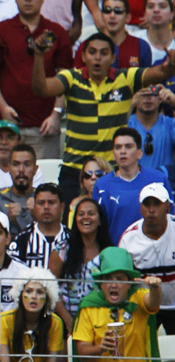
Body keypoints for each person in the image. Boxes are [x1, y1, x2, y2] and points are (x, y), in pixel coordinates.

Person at [32, 31, 175, 204]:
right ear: (84, 56)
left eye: (104, 53)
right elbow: (41, 90)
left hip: (110, 170)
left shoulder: (126, 78)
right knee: (69, 223)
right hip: (75, 170)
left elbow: (160, 73)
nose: (97, 57)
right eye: (92, 52)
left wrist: (171, 65)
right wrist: (39, 56)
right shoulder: (71, 78)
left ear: (113, 57)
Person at [0, 0, 71, 159]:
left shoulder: (57, 32)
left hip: (44, 126)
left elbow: (66, 78)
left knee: (45, 180)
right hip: (5, 125)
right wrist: (3, 108)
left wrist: (56, 114)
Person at [73, 246, 163, 362]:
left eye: (120, 279)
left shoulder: (137, 297)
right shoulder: (89, 306)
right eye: (108, 279)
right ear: (101, 284)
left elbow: (153, 303)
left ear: (129, 283)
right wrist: (100, 348)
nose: (114, 285)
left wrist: (155, 287)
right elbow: (82, 351)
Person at [93, 128, 172, 243]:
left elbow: (171, 216)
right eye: (118, 147)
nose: (122, 151)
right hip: (117, 253)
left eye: (128, 146)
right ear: (113, 154)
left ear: (139, 153)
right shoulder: (101, 186)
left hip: (156, 252)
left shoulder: (159, 180)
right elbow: (97, 226)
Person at [48, 197, 111, 332]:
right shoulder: (62, 250)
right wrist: (68, 320)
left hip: (100, 323)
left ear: (100, 220)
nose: (85, 217)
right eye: (81, 214)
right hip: (65, 323)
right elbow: (51, 287)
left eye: (91, 213)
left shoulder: (109, 252)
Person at [119, 182, 175, 332]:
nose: (151, 210)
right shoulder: (128, 239)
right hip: (146, 305)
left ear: (167, 207)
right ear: (140, 208)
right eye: (146, 204)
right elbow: (123, 277)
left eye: (156, 204)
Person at [0, 267, 65, 362]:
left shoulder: (55, 323)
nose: (33, 296)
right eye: (28, 291)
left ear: (48, 297)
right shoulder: (4, 320)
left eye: (39, 292)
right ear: (20, 295)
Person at [0, 142, 39, 235]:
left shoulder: (44, 200)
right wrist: (7, 220)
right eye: (16, 164)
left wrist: (39, 216)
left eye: (27, 165)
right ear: (8, 168)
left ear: (35, 169)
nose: (21, 170)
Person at [75, 0, 151, 70]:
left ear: (128, 17)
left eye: (118, 11)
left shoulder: (141, 47)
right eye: (107, 11)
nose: (112, 16)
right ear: (102, 15)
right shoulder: (86, 47)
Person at [7, 182, 67, 269]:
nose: (46, 207)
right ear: (34, 207)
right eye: (41, 203)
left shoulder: (71, 239)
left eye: (51, 202)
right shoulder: (21, 239)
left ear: (62, 207)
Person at [129, 85, 175, 191]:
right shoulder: (126, 121)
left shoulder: (169, 123)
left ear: (160, 98)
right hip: (133, 185)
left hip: (164, 185)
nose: (147, 98)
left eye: (153, 94)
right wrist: (130, 106)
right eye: (143, 94)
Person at [128, 0, 175, 64]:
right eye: (150, 6)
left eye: (162, 6)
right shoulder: (132, 40)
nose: (156, 10)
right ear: (144, 14)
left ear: (172, 14)